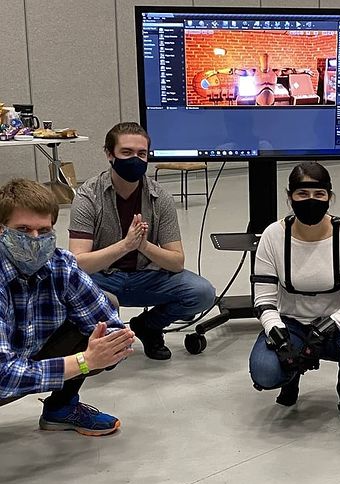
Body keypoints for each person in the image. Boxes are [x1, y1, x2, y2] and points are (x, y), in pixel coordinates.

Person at [68, 122, 216, 360]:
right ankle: (103, 341)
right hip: (103, 279)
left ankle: (149, 326)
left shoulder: (160, 198)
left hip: (147, 277)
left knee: (202, 292)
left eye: (141, 154)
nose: (135, 159)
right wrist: (125, 245)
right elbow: (78, 263)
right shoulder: (88, 196)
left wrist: (143, 246)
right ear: (109, 154)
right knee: (82, 294)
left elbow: (176, 262)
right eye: (126, 152)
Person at [0, 178, 135, 436]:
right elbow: (2, 376)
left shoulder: (61, 264)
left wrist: (111, 346)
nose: (35, 239)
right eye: (23, 229)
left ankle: (61, 409)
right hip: (4, 372)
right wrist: (84, 361)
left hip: (25, 359)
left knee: (106, 310)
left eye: (44, 230)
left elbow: (111, 329)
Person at [249, 162, 340, 423]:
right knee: (264, 372)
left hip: (337, 325)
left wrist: (327, 327)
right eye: (302, 194)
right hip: (291, 324)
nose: (311, 200)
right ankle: (291, 376)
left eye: (319, 194)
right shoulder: (273, 235)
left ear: (330, 197)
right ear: (290, 198)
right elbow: (263, 299)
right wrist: (278, 334)